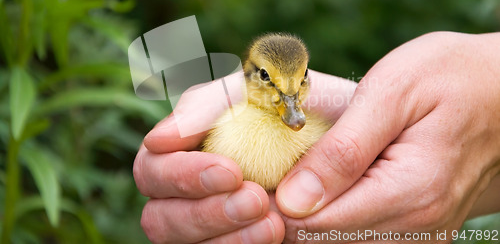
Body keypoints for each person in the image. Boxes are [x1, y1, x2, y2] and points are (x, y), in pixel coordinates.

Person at [133, 31, 500, 244]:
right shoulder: (227, 125)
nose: (293, 109)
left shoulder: (321, 131)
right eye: (267, 80)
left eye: (301, 83)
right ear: (249, 74)